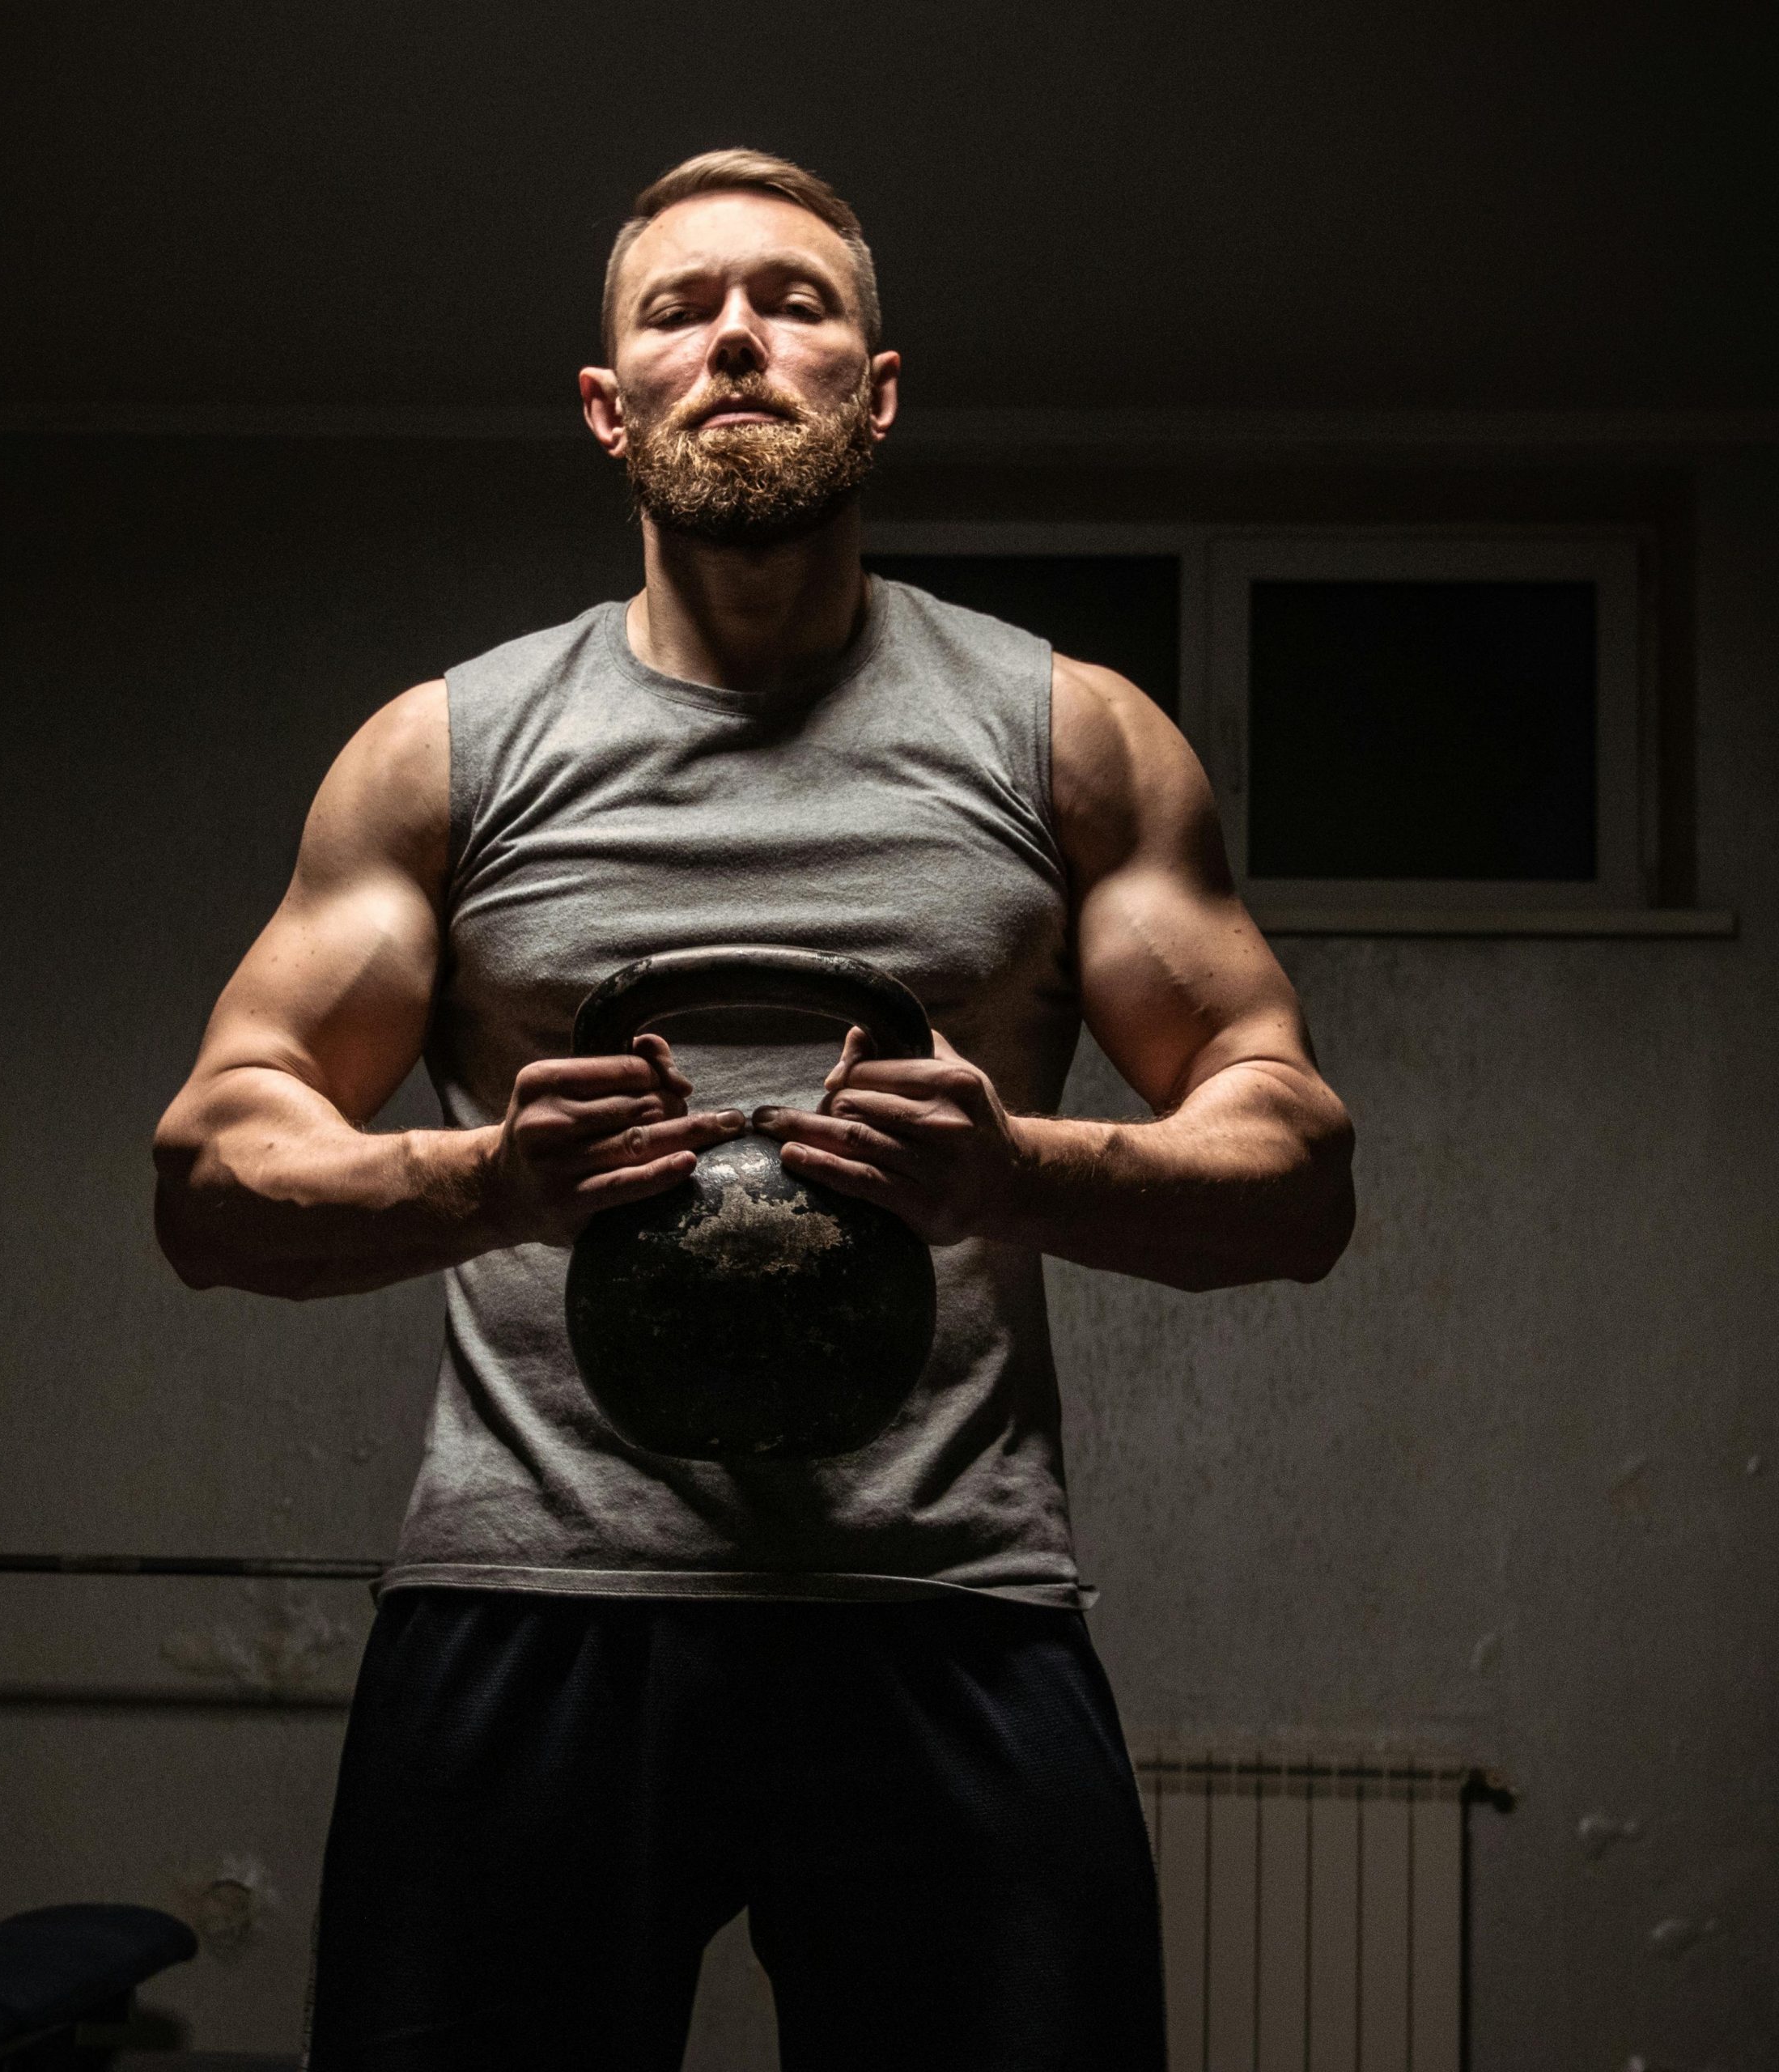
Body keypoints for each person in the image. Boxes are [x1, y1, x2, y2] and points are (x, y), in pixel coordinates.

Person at [154, 148, 1354, 2072]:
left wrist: (1015, 1165)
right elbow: (212, 1172)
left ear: (874, 387)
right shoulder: (445, 754)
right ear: (605, 403)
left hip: (938, 1596)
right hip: (533, 1598)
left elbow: (1293, 1167)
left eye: (793, 301)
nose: (733, 334)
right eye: (676, 307)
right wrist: (485, 1176)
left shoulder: (1070, 735)